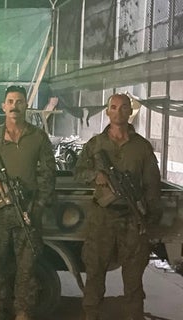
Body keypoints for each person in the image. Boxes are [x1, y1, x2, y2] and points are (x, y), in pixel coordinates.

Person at [74, 93, 162, 320]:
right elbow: (78, 172)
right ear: (107, 111)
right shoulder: (96, 144)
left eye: (124, 107)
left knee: (133, 280)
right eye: (113, 107)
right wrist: (97, 176)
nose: (118, 111)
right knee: (94, 274)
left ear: (130, 112)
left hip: (132, 220)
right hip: (102, 218)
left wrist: (149, 220)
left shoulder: (141, 147)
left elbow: (153, 185)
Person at [0, 85, 55, 320]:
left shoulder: (38, 137)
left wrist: (38, 206)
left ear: (26, 106)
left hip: (27, 212)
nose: (14, 106)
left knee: (27, 269)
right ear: (3, 107)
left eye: (19, 102)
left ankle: (22, 311)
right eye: (10, 102)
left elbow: (48, 174)